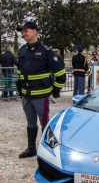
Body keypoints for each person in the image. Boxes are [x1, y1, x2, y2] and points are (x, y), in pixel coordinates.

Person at [16, 21, 66, 158]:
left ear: (34, 31)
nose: (23, 33)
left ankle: (50, 151)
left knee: (45, 122)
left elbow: (60, 73)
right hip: (26, 94)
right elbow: (20, 71)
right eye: (22, 31)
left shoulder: (46, 51)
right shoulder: (22, 50)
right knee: (30, 122)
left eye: (26, 30)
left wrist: (56, 90)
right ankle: (31, 148)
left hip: (41, 94)